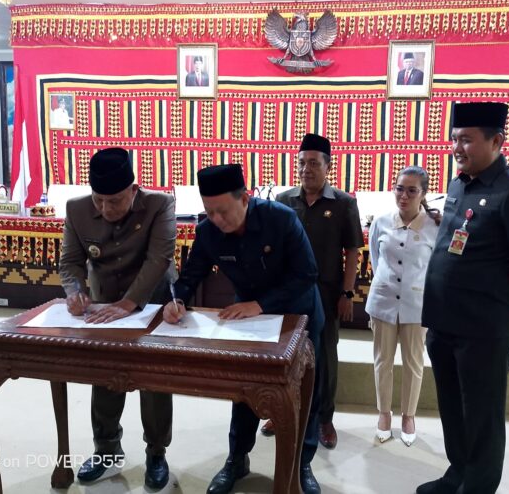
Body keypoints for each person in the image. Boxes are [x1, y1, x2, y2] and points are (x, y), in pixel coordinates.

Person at [163, 164, 325, 494]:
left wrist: (260, 304)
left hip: (297, 313)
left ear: (245, 199)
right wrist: (176, 300)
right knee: (245, 391)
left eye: (223, 211)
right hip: (248, 318)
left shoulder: (280, 219)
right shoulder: (208, 231)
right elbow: (191, 275)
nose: (217, 219)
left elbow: (307, 274)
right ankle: (237, 458)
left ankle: (302, 463)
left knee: (303, 393)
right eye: (210, 211)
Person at [417, 103, 509, 494]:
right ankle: (457, 475)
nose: (457, 148)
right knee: (453, 411)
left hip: (484, 331)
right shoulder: (459, 185)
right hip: (444, 323)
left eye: (467, 140)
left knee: (482, 418)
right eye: (454, 139)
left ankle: (476, 487)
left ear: (496, 141)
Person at [59, 147, 177, 489]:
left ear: (133, 190)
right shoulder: (76, 209)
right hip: (104, 302)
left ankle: (156, 452)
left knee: (154, 379)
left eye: (114, 201)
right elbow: (70, 262)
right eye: (98, 200)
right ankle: (107, 449)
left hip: (152, 301)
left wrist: (129, 303)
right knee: (105, 375)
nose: (105, 209)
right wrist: (75, 292)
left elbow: (159, 259)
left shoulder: (160, 205)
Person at [260, 133, 364, 450]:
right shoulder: (283, 200)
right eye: (302, 163)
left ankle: (323, 419)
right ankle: (280, 412)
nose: (307, 169)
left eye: (314, 163)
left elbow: (352, 251)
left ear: (328, 167)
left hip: (327, 293)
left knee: (325, 357)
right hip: (288, 293)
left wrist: (347, 294)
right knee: (285, 354)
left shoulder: (344, 203)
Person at [365, 166, 440, 447]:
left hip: (417, 305)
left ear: (423, 193)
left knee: (414, 363)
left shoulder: (434, 226)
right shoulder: (381, 222)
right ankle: (384, 414)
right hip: (383, 301)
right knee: (382, 361)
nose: (404, 196)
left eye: (412, 190)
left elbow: (435, 268)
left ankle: (408, 416)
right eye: (399, 188)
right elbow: (376, 260)